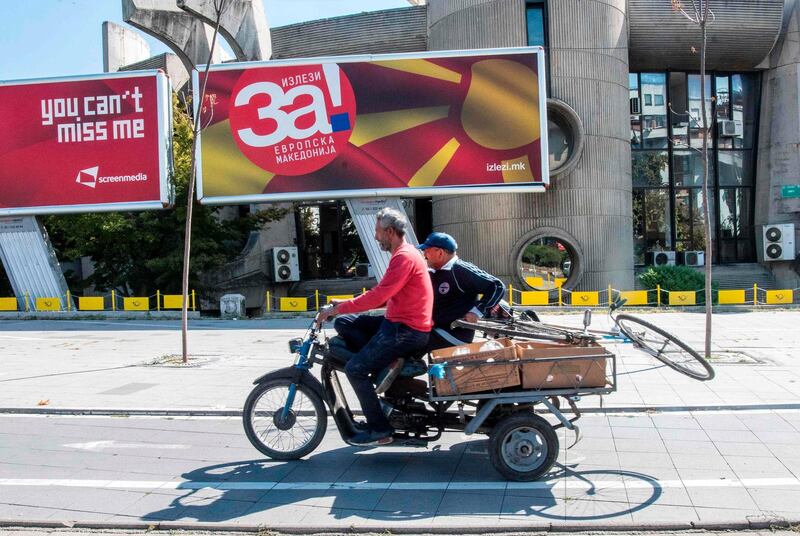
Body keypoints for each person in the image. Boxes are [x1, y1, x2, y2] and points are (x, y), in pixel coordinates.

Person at [317, 208, 433, 446]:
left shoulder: (404, 257)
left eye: (378, 232)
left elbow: (379, 297)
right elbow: (384, 297)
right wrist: (342, 308)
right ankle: (379, 363)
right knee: (345, 323)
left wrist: (337, 308)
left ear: (390, 232)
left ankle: (380, 430)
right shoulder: (406, 252)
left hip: (405, 331)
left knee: (355, 370)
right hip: (397, 323)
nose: (375, 237)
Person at [418, 232, 505, 351]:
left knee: (406, 340)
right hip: (435, 329)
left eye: (427, 250)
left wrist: (477, 311)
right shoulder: (434, 271)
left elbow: (497, 286)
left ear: (440, 253)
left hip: (453, 335)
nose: (424, 254)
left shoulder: (460, 270)